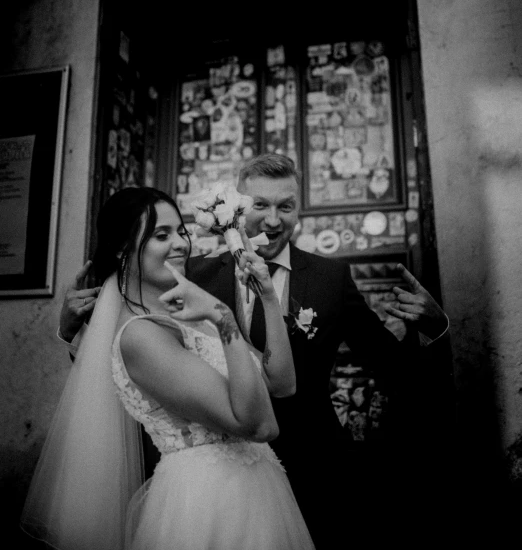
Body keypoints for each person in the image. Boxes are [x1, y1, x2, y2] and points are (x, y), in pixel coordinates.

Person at [58, 156, 451, 548]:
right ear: (235, 208)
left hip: (316, 469)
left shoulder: (331, 279)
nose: (273, 220)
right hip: (215, 486)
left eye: (286, 206)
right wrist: (72, 332)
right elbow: (130, 362)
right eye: (260, 205)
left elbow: (393, 367)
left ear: (299, 209)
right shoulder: (188, 273)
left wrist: (435, 328)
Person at [22, 187, 316, 550]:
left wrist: (268, 296)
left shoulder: (188, 314)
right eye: (162, 235)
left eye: (181, 231)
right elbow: (259, 424)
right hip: (205, 501)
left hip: (256, 492)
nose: (180, 243)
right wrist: (221, 313)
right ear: (122, 249)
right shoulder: (141, 336)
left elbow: (281, 383)